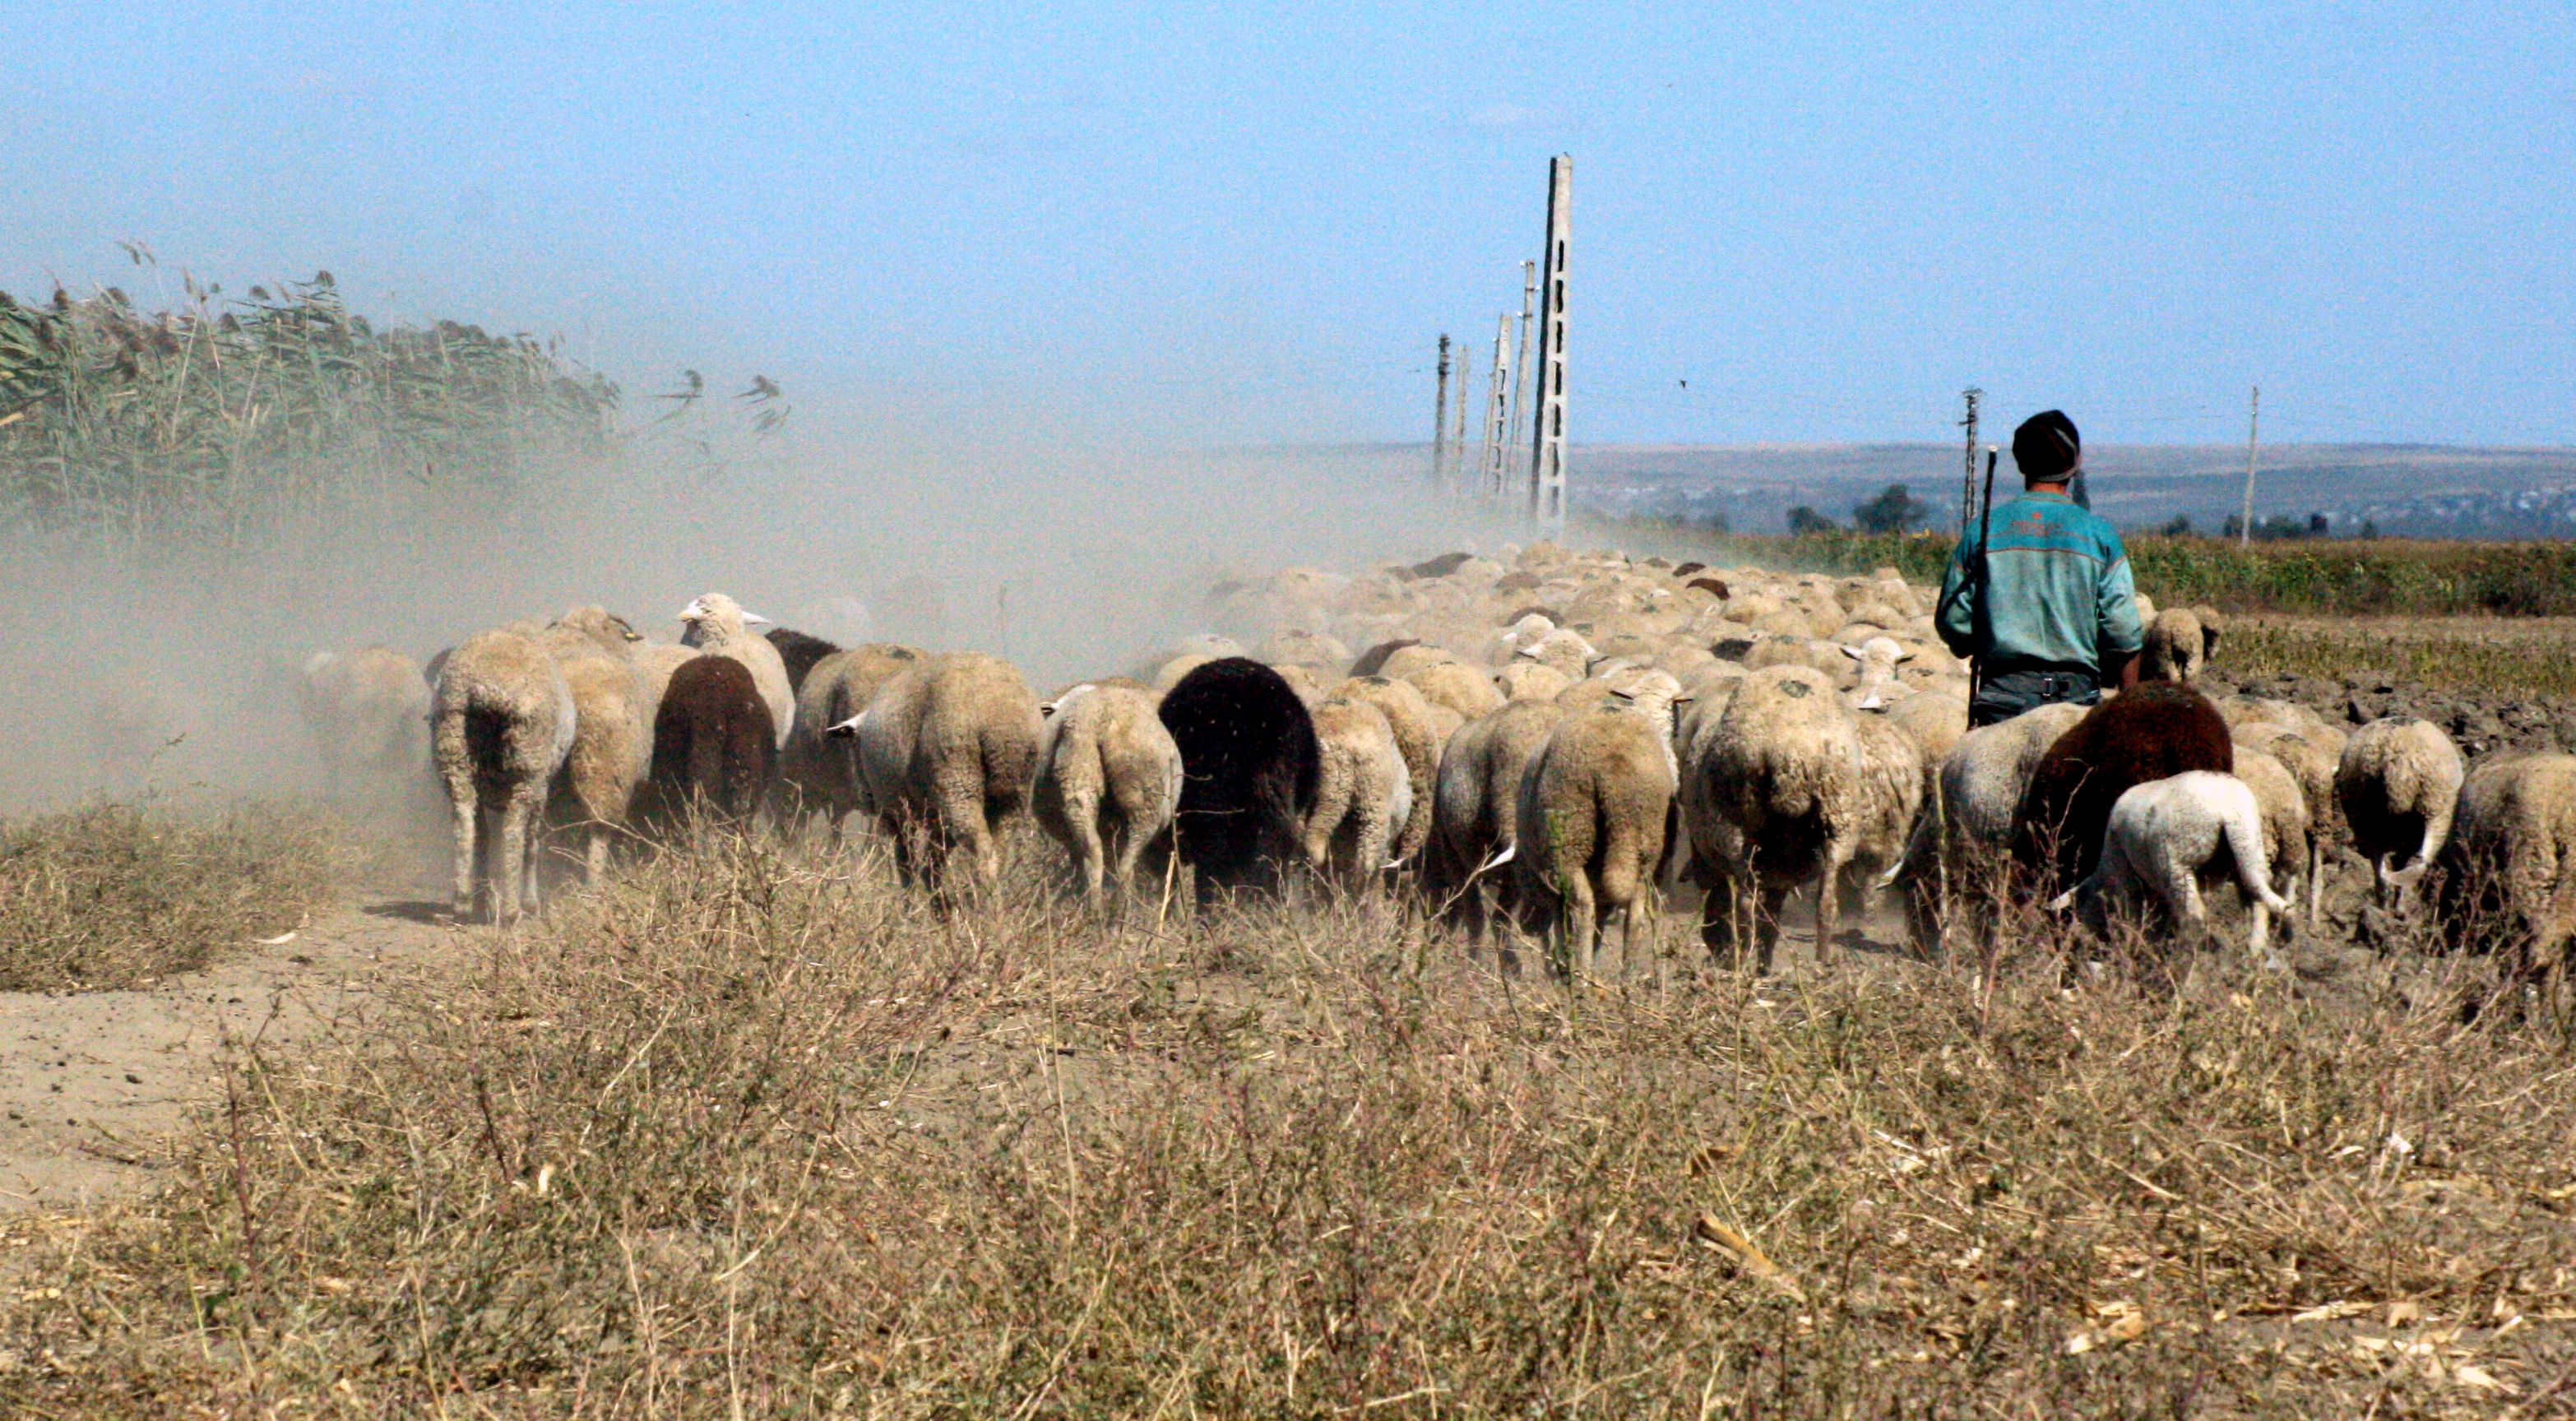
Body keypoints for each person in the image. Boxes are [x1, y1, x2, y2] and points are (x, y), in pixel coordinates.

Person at [1936, 410, 2144, 728]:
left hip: (2003, 696)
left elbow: (1953, 621)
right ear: (2076, 463)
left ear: (2021, 463)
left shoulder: (1984, 531)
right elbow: (2123, 632)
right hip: (2075, 700)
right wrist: (2131, 710)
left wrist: (1972, 642)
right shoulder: (2099, 536)